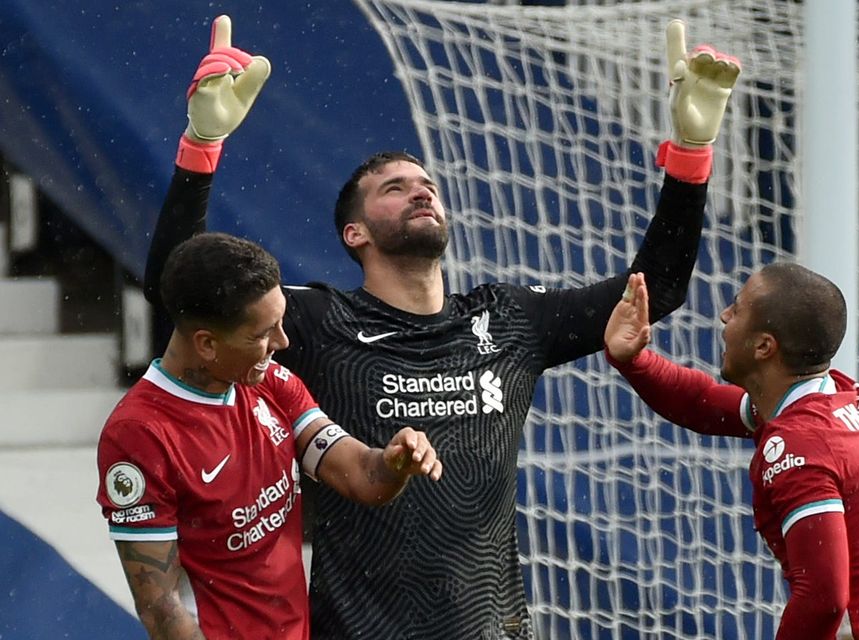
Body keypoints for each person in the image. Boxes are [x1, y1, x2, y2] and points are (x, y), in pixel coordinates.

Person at [143, 15, 741, 639]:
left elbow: (656, 290)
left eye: (427, 185)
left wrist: (691, 156)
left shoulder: (509, 318)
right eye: (394, 189)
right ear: (356, 234)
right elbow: (184, 293)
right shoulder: (320, 322)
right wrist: (201, 147)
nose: (420, 193)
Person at [97, 232, 442, 640]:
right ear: (207, 344)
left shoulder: (269, 381)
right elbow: (162, 608)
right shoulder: (139, 436)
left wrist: (392, 463)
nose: (282, 342)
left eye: (280, 323)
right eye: (263, 333)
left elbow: (360, 475)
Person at [604, 267, 859, 640]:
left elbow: (825, 598)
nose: (724, 316)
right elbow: (702, 401)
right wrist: (634, 359)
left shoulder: (801, 444)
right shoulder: (831, 396)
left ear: (764, 347)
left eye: (737, 310)